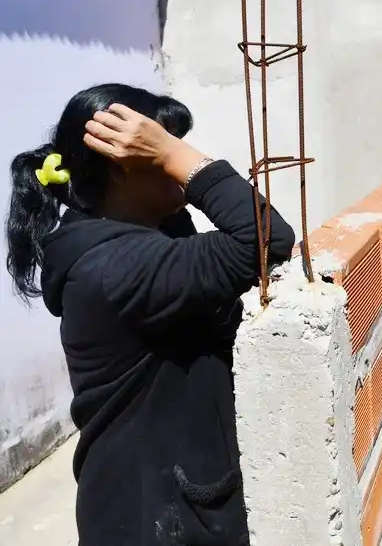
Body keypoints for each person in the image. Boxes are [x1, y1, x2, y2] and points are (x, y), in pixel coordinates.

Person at [4, 84, 295, 545]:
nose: (179, 162)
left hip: (159, 506)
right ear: (122, 169)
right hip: (155, 522)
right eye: (164, 152)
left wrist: (167, 171)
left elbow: (196, 249)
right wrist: (189, 164)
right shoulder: (118, 267)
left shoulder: (129, 240)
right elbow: (266, 241)